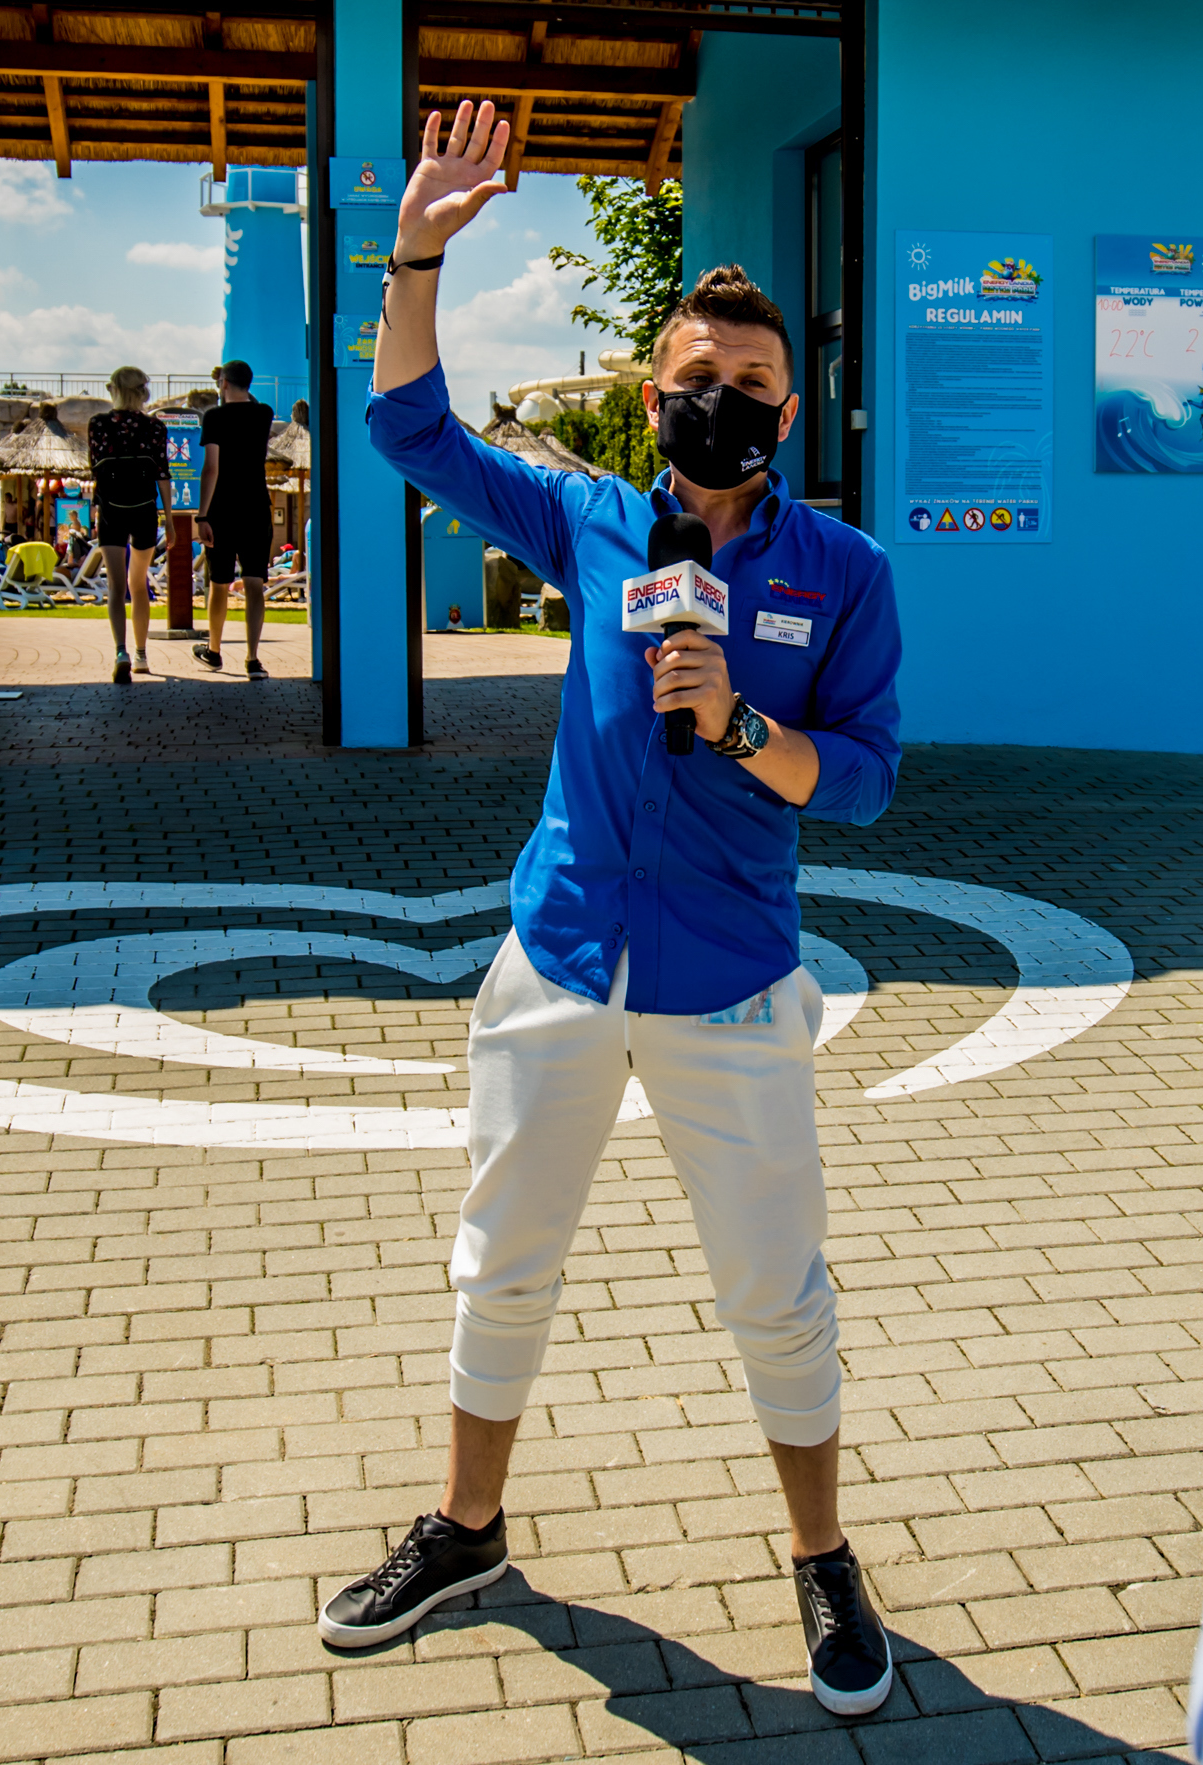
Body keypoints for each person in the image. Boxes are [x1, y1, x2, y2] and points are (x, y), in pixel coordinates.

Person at [321, 100, 902, 1723]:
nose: (720, 401)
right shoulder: (583, 521)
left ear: (787, 409)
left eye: (749, 384)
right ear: (649, 394)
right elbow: (409, 431)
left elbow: (860, 776)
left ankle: (820, 1554)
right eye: (694, 376)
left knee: (775, 1290)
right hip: (559, 955)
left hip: (732, 981)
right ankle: (465, 1529)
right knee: (499, 1261)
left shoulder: (842, 571)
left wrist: (738, 720)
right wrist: (416, 252)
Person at [87, 366, 175, 685]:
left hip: (111, 509)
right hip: (144, 510)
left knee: (115, 586)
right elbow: (162, 475)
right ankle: (141, 654)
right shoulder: (155, 427)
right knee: (138, 583)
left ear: (114, 389)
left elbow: (95, 468)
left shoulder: (98, 424)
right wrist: (169, 520)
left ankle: (120, 651)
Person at [193, 358, 275, 679]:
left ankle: (214, 651)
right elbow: (249, 401)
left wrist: (202, 515)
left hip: (223, 510)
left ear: (224, 383)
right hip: (256, 507)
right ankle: (252, 659)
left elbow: (211, 469)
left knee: (219, 584)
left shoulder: (214, 417)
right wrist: (231, 384)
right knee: (254, 583)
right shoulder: (263, 413)